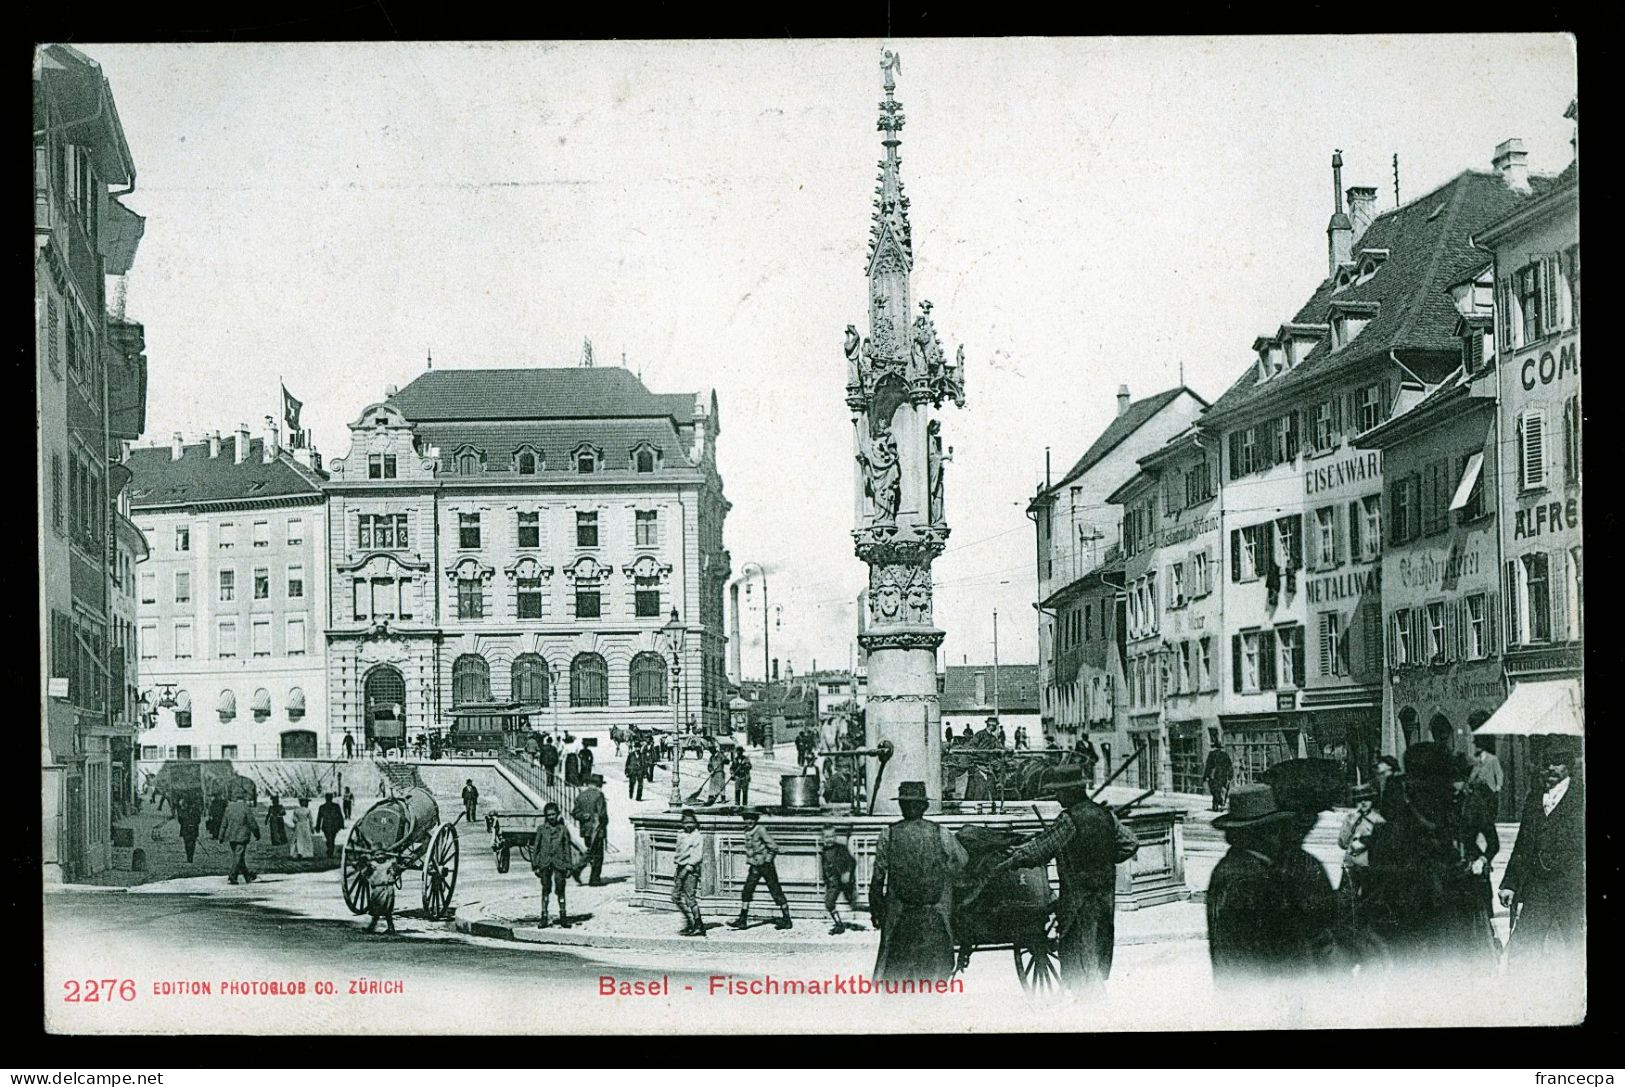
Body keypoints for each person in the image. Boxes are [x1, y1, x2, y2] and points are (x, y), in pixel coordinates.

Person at [993, 758, 1139, 993]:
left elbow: (1041, 848)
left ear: (1071, 792)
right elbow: (1130, 843)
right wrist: (1104, 858)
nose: (1057, 798)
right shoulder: (1106, 815)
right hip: (1104, 896)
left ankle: (1092, 1011)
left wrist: (1011, 861)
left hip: (1079, 899)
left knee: (1080, 954)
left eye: (1059, 792)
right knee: (1097, 948)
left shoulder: (1069, 820)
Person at [869, 781, 968, 982]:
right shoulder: (941, 833)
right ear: (925, 806)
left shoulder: (888, 833)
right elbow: (961, 862)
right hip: (935, 912)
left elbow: (878, 878)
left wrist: (876, 910)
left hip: (900, 914)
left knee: (892, 969)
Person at [1500, 737, 1585, 969]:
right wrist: (1510, 883)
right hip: (1538, 886)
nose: (1550, 768)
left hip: (1572, 886)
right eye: (1546, 763)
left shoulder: (1581, 797)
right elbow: (1523, 845)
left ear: (1568, 766)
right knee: (1523, 947)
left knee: (1578, 947)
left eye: (1557, 763)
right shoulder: (1534, 798)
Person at [1205, 784, 1300, 984]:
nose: (1281, 837)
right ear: (1259, 834)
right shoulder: (1248, 877)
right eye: (1275, 829)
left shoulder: (1235, 866)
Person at [728, 808, 793, 931]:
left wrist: (767, 860)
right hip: (755, 866)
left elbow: (774, 847)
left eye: (752, 818)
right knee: (747, 890)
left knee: (775, 891)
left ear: (756, 819)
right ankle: (742, 920)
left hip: (766, 866)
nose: (749, 821)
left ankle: (787, 919)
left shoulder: (760, 830)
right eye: (747, 818)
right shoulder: (747, 831)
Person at [531, 801, 588, 928]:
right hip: (545, 863)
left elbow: (567, 848)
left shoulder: (563, 830)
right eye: (548, 815)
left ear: (558, 814)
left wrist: (569, 867)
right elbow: (536, 848)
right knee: (546, 888)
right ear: (545, 816)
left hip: (559, 863)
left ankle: (563, 916)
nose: (551, 817)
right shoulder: (541, 830)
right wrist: (535, 865)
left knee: (560, 888)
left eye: (553, 814)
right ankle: (544, 916)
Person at [1337, 781, 1384, 923]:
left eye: (1367, 799)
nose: (1363, 803)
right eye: (1359, 800)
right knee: (1348, 896)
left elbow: (1380, 843)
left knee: (1368, 897)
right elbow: (1342, 843)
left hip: (1368, 864)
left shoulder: (1379, 820)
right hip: (1350, 862)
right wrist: (1349, 827)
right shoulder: (1351, 818)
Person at [673, 808, 707, 937]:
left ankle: (698, 925)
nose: (688, 825)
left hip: (690, 869)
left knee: (690, 898)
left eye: (691, 822)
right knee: (676, 897)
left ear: (695, 823)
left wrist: (686, 870)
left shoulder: (697, 836)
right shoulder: (681, 834)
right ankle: (690, 922)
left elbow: (697, 856)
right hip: (681, 867)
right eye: (685, 822)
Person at [572, 774, 609, 885]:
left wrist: (583, 816)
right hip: (597, 830)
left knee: (591, 851)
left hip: (585, 830)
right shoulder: (599, 795)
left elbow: (574, 812)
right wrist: (605, 823)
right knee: (597, 856)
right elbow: (602, 814)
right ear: (598, 784)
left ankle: (579, 869)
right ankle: (593, 878)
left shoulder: (581, 795)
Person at [821, 825, 859, 934]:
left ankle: (873, 913)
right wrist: (825, 880)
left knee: (852, 902)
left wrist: (847, 872)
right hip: (832, 883)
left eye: (832, 836)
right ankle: (839, 924)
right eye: (827, 837)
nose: (829, 839)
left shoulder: (840, 849)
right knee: (829, 903)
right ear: (823, 839)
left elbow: (851, 862)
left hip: (842, 881)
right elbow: (825, 867)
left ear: (835, 837)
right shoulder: (824, 851)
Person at [220, 787, 261, 884]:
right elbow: (252, 823)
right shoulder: (245, 808)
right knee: (238, 856)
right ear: (244, 798)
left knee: (239, 856)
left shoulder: (229, 808)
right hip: (242, 836)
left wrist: (221, 836)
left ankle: (248, 876)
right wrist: (257, 834)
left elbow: (224, 824)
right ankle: (232, 876)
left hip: (231, 836)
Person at [363, 855, 401, 935]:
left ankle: (389, 928)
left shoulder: (389, 865)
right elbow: (364, 874)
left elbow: (396, 872)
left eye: (382, 856)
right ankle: (373, 927)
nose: (380, 858)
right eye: (378, 856)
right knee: (376, 910)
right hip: (377, 890)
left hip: (386, 889)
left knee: (387, 910)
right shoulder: (372, 865)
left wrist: (395, 865)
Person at [1203, 734, 1234, 812]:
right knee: (1219, 790)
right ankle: (1219, 803)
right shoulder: (1225, 755)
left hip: (1213, 775)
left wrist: (1205, 776)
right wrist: (1230, 776)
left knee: (1214, 790)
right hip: (1222, 775)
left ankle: (1216, 804)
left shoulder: (1211, 754)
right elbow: (1230, 766)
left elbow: (1208, 766)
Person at [317, 792, 346, 859]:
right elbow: (340, 816)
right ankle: (330, 850)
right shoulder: (335, 806)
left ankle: (330, 850)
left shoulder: (322, 807)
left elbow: (319, 818)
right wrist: (341, 824)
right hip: (334, 826)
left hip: (327, 826)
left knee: (329, 839)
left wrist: (318, 826)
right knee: (331, 839)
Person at [176, 794, 202, 864]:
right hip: (188, 829)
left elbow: (198, 820)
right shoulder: (186, 810)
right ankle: (189, 856)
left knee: (190, 843)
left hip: (190, 828)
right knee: (188, 843)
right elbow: (180, 819)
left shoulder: (187, 810)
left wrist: (191, 824)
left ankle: (190, 857)